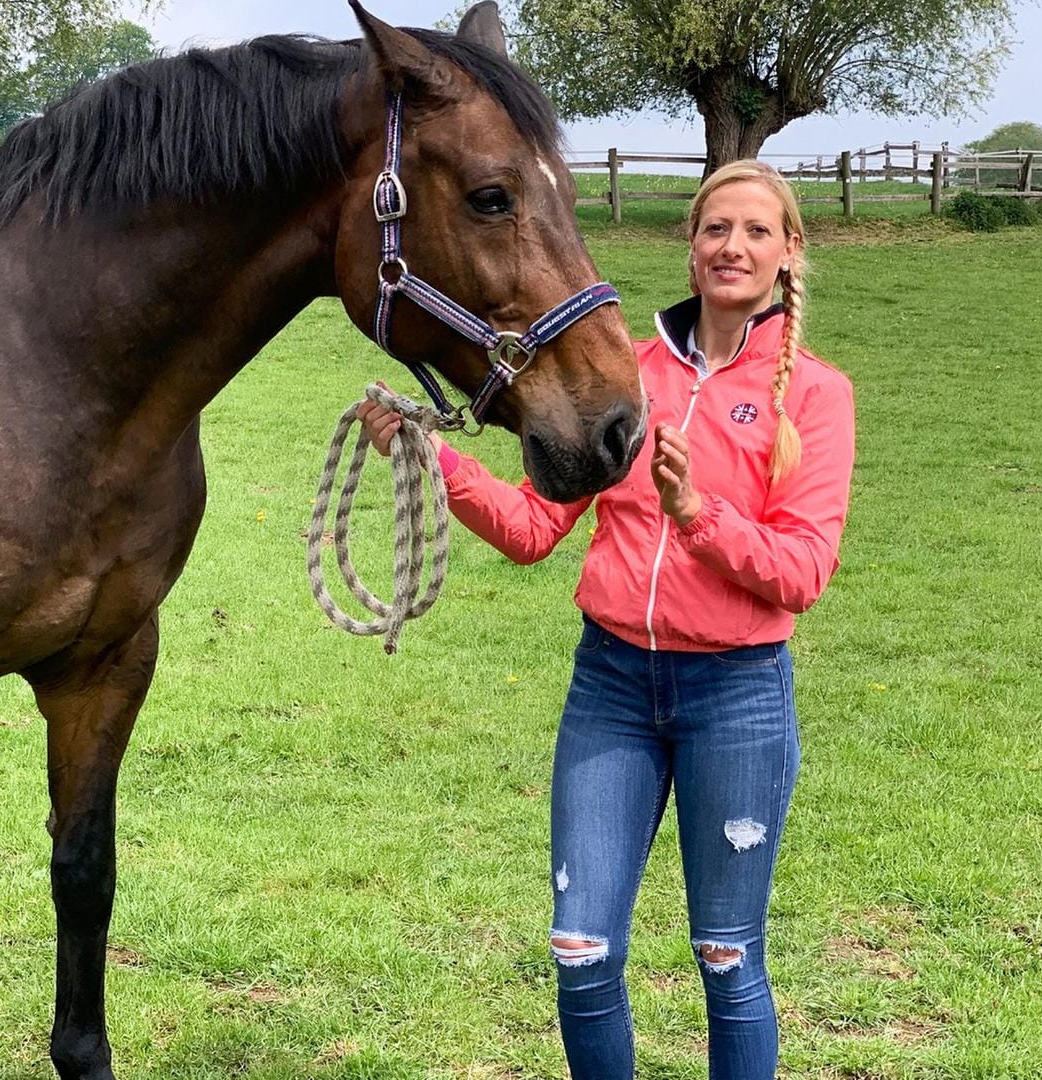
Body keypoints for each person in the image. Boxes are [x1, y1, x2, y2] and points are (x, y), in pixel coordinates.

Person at [358, 160, 855, 1079]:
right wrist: (440, 461)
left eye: (755, 231)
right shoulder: (626, 367)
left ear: (789, 253)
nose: (731, 247)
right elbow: (534, 525)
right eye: (715, 228)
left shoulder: (815, 395)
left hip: (737, 695)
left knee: (729, 958)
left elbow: (802, 573)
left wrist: (698, 513)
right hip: (613, 687)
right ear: (692, 243)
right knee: (581, 951)